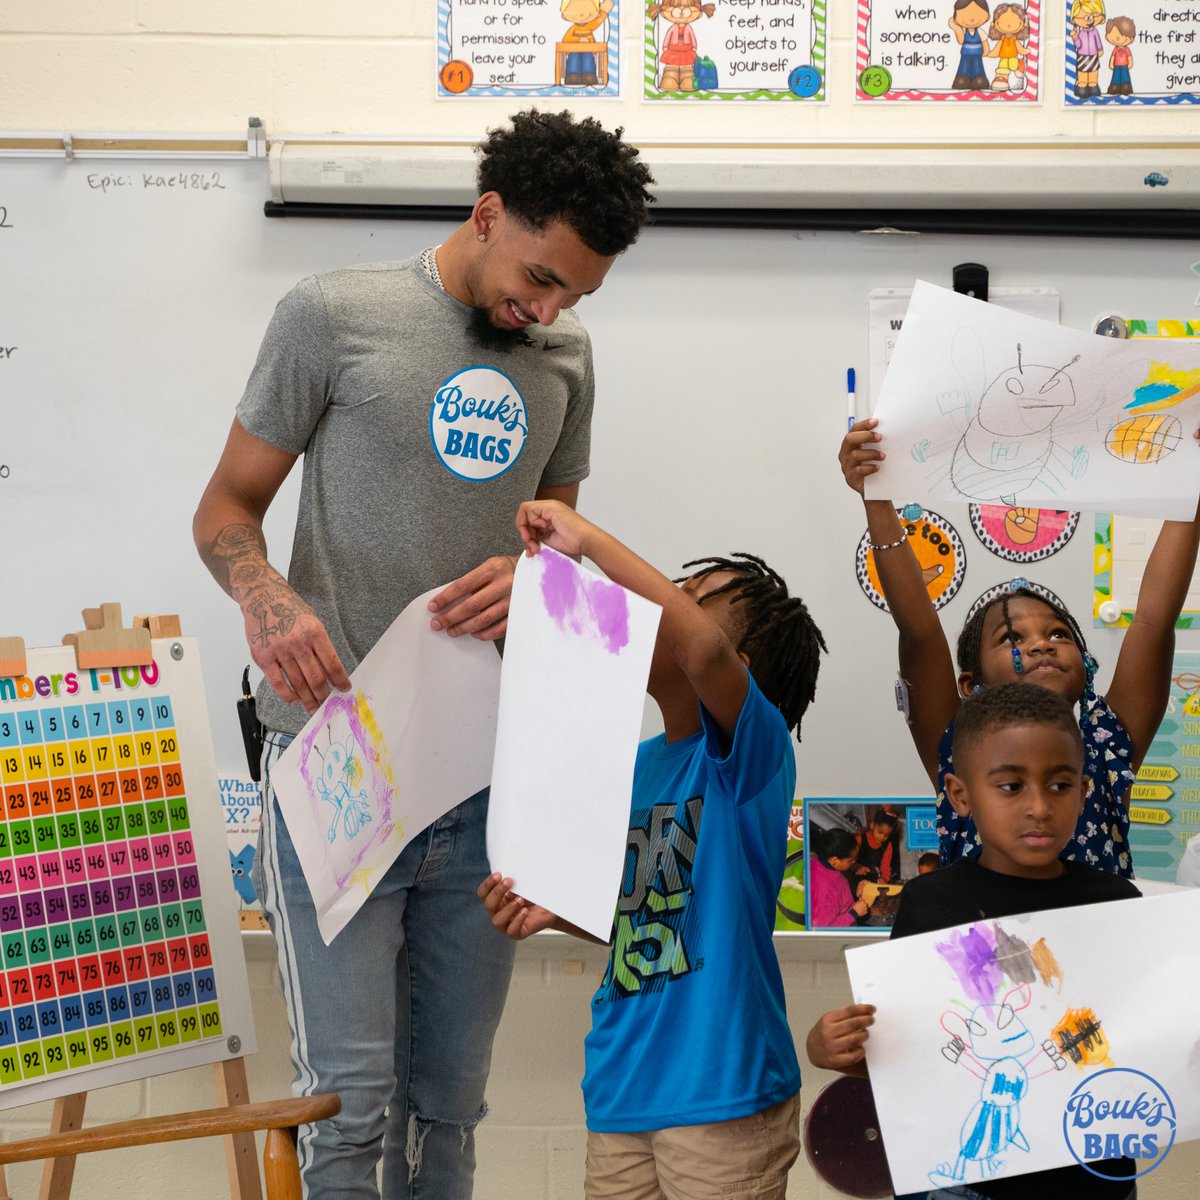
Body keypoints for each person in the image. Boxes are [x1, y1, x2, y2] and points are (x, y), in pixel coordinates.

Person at [192, 110, 654, 1200]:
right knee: (346, 1111)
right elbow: (226, 509)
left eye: (573, 296)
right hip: (337, 764)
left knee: (446, 1110)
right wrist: (268, 600)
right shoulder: (331, 316)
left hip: (484, 784)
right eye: (539, 276)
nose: (546, 310)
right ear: (486, 214)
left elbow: (558, 549)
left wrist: (542, 587)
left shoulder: (565, 359)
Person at [479, 498, 827, 1199]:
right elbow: (635, 915)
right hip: (622, 1087)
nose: (652, 608)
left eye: (682, 600)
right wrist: (555, 910)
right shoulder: (636, 764)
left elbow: (702, 648)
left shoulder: (751, 754)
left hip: (721, 1093)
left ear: (740, 668)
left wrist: (588, 541)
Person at [807, 683, 1142, 1200]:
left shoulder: (1117, 902)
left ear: (1083, 792)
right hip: (957, 1183)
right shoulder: (930, 903)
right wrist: (830, 1047)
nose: (1039, 807)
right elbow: (900, 1047)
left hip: (1093, 1175)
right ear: (961, 795)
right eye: (1011, 786)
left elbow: (1141, 1031)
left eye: (1059, 785)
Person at [839, 418, 1200, 877]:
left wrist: (1195, 482)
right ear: (971, 684)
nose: (1041, 647)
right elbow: (920, 631)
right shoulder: (959, 745)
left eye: (1057, 635)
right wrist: (877, 500)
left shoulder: (1106, 746)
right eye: (1013, 638)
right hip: (980, 948)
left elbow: (1152, 621)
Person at [810, 827, 871, 928]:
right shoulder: (824, 890)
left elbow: (837, 895)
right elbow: (824, 930)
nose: (854, 862)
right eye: (851, 860)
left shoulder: (820, 861)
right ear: (835, 860)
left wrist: (853, 868)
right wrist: (854, 913)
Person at [947, 0, 992, 91]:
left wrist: (986, 51)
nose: (972, 19)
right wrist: (956, 28)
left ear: (987, 16)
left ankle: (979, 79)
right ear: (956, 18)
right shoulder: (963, 31)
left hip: (977, 56)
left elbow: (984, 42)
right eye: (965, 15)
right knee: (964, 68)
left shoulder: (980, 31)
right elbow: (961, 41)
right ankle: (962, 78)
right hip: (965, 56)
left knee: (978, 68)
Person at [854, 806, 900, 883]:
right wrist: (856, 867)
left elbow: (885, 868)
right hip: (856, 880)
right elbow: (849, 860)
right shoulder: (860, 839)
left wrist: (884, 879)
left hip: (874, 882)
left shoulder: (888, 846)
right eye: (880, 832)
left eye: (886, 835)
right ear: (872, 825)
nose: (882, 837)